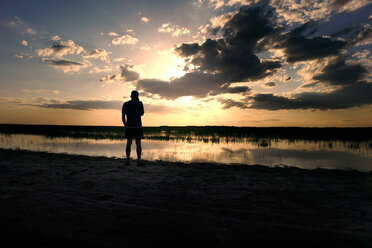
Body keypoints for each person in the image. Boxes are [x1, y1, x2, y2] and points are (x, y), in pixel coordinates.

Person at [122, 90, 144, 165]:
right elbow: (142, 113)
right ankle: (139, 161)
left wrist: (125, 125)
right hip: (138, 126)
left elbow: (123, 116)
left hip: (129, 126)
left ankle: (127, 161)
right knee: (138, 144)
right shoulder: (140, 103)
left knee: (128, 143)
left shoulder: (126, 104)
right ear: (137, 96)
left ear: (131, 96)